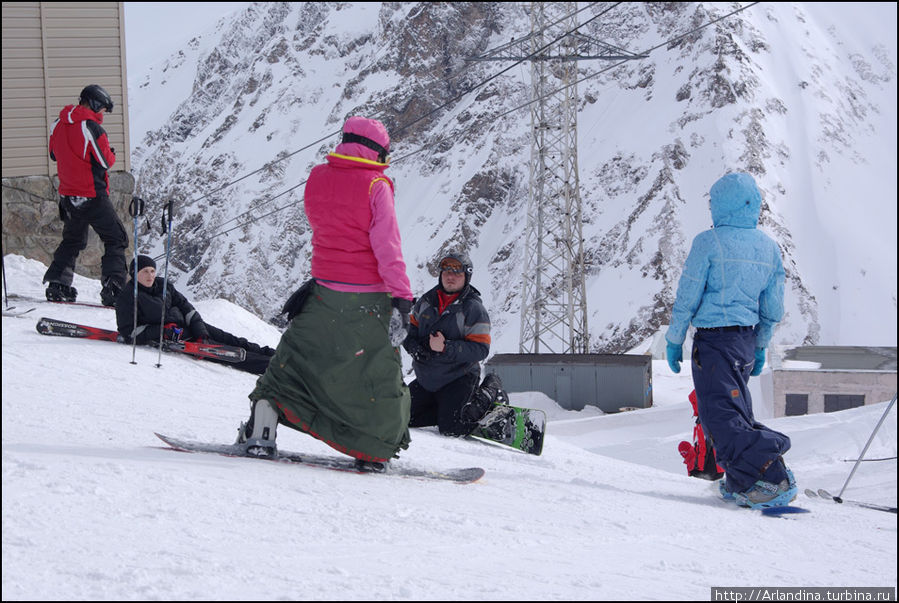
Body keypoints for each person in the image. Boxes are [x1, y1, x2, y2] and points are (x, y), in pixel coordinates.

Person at [236, 116, 415, 471]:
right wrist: (402, 298)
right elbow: (387, 247)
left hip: (322, 291)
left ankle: (264, 420)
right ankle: (371, 448)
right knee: (374, 372)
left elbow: (322, 226)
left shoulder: (318, 177)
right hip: (368, 298)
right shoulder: (377, 185)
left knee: (298, 358)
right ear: (379, 151)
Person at [665, 171, 793, 509]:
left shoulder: (708, 242)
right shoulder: (767, 247)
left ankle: (771, 478)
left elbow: (688, 295)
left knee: (720, 415)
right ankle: (741, 480)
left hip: (714, 343)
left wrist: (675, 338)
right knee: (736, 412)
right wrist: (761, 345)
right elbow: (773, 306)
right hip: (744, 343)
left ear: (719, 206)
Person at [115, 255, 275, 375]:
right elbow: (129, 332)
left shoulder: (163, 285)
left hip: (190, 326)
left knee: (232, 339)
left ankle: (274, 355)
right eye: (145, 272)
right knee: (230, 352)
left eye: (152, 271)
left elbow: (185, 307)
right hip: (175, 337)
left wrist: (201, 332)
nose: (150, 276)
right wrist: (163, 331)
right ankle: (274, 367)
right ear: (135, 274)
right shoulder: (127, 296)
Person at [43, 84, 129, 307]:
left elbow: (53, 154)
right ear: (94, 104)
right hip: (92, 195)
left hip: (69, 197)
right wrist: (111, 153)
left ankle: (57, 285)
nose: (102, 115)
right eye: (102, 110)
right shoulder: (91, 128)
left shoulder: (57, 124)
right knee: (116, 238)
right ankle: (114, 289)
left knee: (72, 240)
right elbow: (104, 161)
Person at [404, 251, 503, 437]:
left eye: (457, 273)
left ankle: (489, 392)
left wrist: (445, 347)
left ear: (466, 277)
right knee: (401, 417)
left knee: (452, 428)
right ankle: (445, 410)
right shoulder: (425, 302)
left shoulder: (473, 309)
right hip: (428, 380)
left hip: (458, 378)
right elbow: (409, 332)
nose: (451, 277)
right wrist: (414, 347)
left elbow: (481, 350)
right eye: (446, 272)